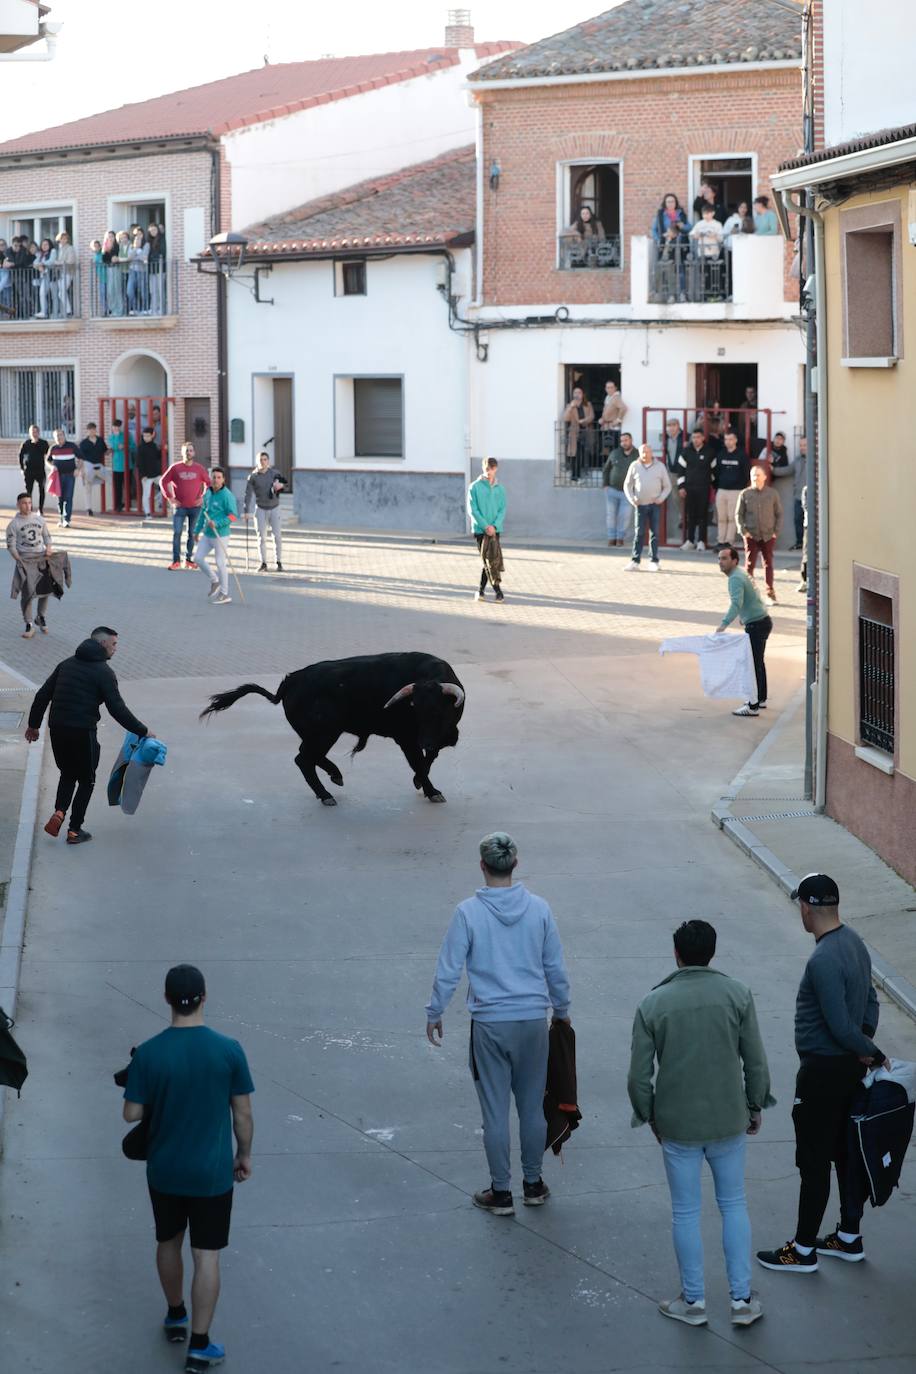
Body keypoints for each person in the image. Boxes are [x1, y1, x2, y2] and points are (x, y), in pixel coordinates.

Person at [628, 919, 773, 1328]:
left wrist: (649, 1113)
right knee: (733, 1204)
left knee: (686, 1212)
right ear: (712, 952)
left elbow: (639, 1077)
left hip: (678, 1125)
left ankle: (693, 1302)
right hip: (729, 1118)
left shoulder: (653, 1004)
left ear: (676, 954)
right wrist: (755, 1104)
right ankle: (742, 1301)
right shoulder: (738, 995)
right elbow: (756, 1061)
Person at [425, 833, 570, 1216]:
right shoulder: (539, 909)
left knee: (494, 1112)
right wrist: (562, 1009)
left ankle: (501, 1191)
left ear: (482, 866)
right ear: (515, 864)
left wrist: (435, 1011)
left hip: (490, 1024)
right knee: (532, 1107)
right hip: (532, 1021)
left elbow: (449, 969)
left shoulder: (468, 913)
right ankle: (534, 1183)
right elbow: (554, 966)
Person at [123, 964, 254, 1371]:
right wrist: (244, 1154)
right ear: (204, 996)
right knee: (207, 1256)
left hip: (164, 1171)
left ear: (166, 999)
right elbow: (242, 1115)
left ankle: (175, 1314)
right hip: (212, 1174)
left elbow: (131, 1114)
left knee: (168, 1241)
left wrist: (139, 1080)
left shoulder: (149, 1053)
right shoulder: (228, 1050)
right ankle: (199, 1345)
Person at [756, 874, 887, 1275]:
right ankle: (849, 1237)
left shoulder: (824, 958)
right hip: (847, 1069)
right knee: (846, 1155)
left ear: (807, 908)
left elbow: (837, 1023)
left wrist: (870, 1051)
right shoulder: (854, 943)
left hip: (822, 1073)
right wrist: (863, 1046)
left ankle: (802, 1250)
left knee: (813, 1162)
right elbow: (870, 1002)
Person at [25, 625, 149, 845]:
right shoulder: (103, 672)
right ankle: (74, 830)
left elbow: (43, 695)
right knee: (86, 779)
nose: (116, 649)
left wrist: (33, 726)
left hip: (58, 728)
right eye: (114, 644)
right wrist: (143, 730)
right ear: (102, 644)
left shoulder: (66, 665)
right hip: (82, 731)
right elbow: (117, 708)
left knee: (67, 772)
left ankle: (60, 811)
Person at [715, 545, 772, 716]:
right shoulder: (740, 573)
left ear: (734, 560)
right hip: (762, 621)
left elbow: (736, 603)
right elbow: (751, 598)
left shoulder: (735, 578)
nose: (720, 562)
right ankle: (760, 698)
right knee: (757, 663)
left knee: (751, 665)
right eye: (719, 558)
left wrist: (723, 624)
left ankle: (752, 705)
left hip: (756, 625)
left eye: (724, 558)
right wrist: (744, 616)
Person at [6, 492, 53, 638]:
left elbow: (46, 536)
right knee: (28, 594)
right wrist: (17, 558)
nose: (28, 506)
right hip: (25, 561)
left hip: (41, 558)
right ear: (18, 505)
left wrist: (49, 547)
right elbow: (11, 545)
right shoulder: (14, 524)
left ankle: (41, 617)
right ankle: (29, 624)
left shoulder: (40, 519)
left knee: (45, 591)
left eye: (29, 502)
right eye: (24, 503)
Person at [160, 442, 211, 571]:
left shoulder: (199, 468)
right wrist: (170, 498)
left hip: (195, 508)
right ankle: (176, 561)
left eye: (190, 450)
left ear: (194, 453)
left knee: (191, 534)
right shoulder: (175, 468)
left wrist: (203, 498)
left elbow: (208, 484)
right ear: (182, 453)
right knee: (177, 533)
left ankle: (188, 559)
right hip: (180, 507)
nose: (188, 453)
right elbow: (163, 481)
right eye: (186, 451)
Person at [736, 465, 782, 602]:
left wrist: (776, 532)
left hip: (768, 535)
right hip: (751, 534)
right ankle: (749, 593)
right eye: (753, 475)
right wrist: (743, 531)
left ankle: (770, 591)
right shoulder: (745, 494)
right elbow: (739, 514)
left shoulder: (772, 494)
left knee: (768, 563)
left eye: (758, 475)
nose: (755, 478)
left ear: (765, 477)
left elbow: (779, 514)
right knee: (749, 564)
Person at [623, 443, 671, 572]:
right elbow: (627, 485)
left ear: (651, 453)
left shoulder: (660, 466)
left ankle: (654, 561)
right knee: (639, 533)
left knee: (654, 533)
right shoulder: (634, 466)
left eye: (647, 452)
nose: (645, 454)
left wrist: (661, 498)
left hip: (654, 505)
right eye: (643, 452)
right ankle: (635, 561)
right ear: (639, 453)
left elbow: (667, 486)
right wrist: (632, 499)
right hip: (640, 505)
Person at [195, 467, 237, 605]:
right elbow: (203, 513)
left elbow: (233, 515)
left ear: (223, 479)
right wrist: (196, 531)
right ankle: (215, 580)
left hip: (221, 535)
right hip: (207, 534)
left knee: (220, 563)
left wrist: (218, 523)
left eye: (219, 477)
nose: (216, 480)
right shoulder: (207, 493)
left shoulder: (227, 496)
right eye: (214, 477)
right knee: (198, 559)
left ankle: (224, 594)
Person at [467, 457, 505, 602]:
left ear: (496, 469)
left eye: (492, 469)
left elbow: (502, 509)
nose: (489, 472)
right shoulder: (474, 487)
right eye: (487, 469)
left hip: (495, 529)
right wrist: (485, 526)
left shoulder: (500, 489)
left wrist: (494, 526)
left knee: (491, 560)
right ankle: (497, 591)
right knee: (488, 560)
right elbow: (473, 510)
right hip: (480, 530)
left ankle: (481, 591)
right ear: (483, 468)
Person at [243, 451, 286, 571]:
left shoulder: (275, 473)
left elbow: (284, 486)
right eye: (260, 460)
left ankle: (278, 562)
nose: (263, 462)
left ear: (268, 461)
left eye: (265, 459)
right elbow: (248, 494)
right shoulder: (253, 477)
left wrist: (280, 487)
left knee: (277, 536)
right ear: (257, 461)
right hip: (260, 509)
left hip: (275, 508)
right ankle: (263, 563)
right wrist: (246, 510)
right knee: (261, 537)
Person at [676, 428, 715, 551]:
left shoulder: (710, 452)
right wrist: (681, 487)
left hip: (704, 488)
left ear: (703, 438)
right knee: (690, 515)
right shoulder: (686, 452)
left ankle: (701, 542)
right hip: (689, 489)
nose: (696, 440)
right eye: (693, 437)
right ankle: (690, 541)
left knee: (703, 515)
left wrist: (712, 484)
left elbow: (714, 471)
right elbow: (680, 471)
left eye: (698, 437)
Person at [712, 430, 749, 548]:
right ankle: (721, 541)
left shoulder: (742, 455)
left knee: (732, 517)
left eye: (731, 439)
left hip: (736, 491)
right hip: (721, 490)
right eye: (726, 439)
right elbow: (715, 472)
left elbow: (746, 473)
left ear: (736, 440)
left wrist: (740, 486)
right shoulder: (721, 454)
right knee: (721, 517)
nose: (728, 442)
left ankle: (729, 542)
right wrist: (717, 486)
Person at [601, 431, 635, 546]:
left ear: (631, 441)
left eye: (626, 440)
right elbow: (606, 469)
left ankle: (620, 538)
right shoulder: (614, 453)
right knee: (611, 515)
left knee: (624, 516)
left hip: (628, 492)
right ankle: (612, 538)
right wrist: (605, 485)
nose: (624, 443)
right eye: (622, 441)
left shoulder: (638, 455)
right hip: (612, 490)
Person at [688, 206, 725, 300]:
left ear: (713, 213)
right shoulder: (699, 224)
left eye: (708, 213)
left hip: (714, 253)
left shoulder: (717, 224)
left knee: (716, 273)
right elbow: (691, 234)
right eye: (704, 214)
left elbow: (721, 238)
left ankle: (717, 294)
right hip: (702, 253)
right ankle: (706, 295)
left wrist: (714, 235)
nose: (706, 216)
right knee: (705, 274)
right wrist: (696, 235)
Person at [47, 427, 81, 527]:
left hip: (70, 476)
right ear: (54, 438)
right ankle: (61, 519)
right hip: (58, 477)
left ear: (64, 436)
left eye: (61, 435)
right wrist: (52, 466)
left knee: (68, 497)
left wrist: (77, 469)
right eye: (57, 436)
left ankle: (67, 520)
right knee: (60, 498)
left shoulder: (72, 446)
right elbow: (47, 460)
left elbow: (81, 458)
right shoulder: (53, 448)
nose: (59, 437)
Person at [562, 386, 595, 481]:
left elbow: (592, 416)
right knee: (575, 454)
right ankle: (575, 475)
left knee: (586, 453)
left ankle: (585, 473)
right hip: (574, 433)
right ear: (573, 395)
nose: (577, 394)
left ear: (582, 394)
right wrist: (571, 407)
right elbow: (565, 418)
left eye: (579, 392)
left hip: (586, 431)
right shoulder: (570, 406)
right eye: (575, 393)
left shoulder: (588, 404)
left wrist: (584, 420)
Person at [662, 418, 686, 541]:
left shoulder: (685, 437)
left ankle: (685, 517)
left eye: (673, 425)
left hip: (685, 472)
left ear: (678, 426)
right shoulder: (666, 439)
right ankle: (682, 516)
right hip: (672, 472)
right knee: (675, 496)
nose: (671, 427)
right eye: (669, 425)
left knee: (685, 496)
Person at [79, 421, 107, 517]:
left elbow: (105, 451)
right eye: (90, 430)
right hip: (88, 465)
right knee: (87, 487)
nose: (92, 431)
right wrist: (81, 470)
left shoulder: (100, 440)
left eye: (94, 429)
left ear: (96, 430)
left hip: (99, 466)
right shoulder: (83, 443)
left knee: (110, 479)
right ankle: (89, 509)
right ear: (88, 431)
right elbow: (81, 458)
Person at [18, 423, 49, 512]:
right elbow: (20, 456)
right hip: (29, 471)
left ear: (38, 433)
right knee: (28, 492)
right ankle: (29, 509)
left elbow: (47, 453)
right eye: (32, 432)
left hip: (40, 470)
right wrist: (22, 468)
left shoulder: (43, 443)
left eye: (36, 432)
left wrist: (37, 443)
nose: (34, 434)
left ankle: (40, 509)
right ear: (29, 433)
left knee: (42, 490)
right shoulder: (26, 443)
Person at [137, 426, 163, 519]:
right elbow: (139, 463)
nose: (146, 438)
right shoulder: (141, 447)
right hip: (146, 476)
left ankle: (157, 500)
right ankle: (147, 513)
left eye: (148, 436)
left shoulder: (154, 446)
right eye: (144, 436)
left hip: (156, 473)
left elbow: (157, 457)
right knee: (146, 495)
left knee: (166, 486)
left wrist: (163, 450)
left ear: (152, 435)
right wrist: (142, 475)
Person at [599, 380, 626, 456]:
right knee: (608, 449)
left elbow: (623, 408)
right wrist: (602, 419)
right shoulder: (608, 398)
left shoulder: (616, 397)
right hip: (607, 427)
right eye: (608, 387)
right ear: (605, 389)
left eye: (611, 387)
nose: (609, 389)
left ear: (615, 388)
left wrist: (618, 420)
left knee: (614, 449)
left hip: (614, 428)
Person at [126, 226, 149, 314]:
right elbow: (129, 258)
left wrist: (137, 255)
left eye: (140, 235)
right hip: (132, 270)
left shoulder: (146, 245)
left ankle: (145, 309)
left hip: (142, 270)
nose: (138, 238)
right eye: (136, 236)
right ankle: (135, 307)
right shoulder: (131, 246)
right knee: (130, 291)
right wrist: (136, 249)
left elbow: (145, 257)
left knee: (142, 291)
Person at [791, 435, 807, 549]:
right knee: (797, 520)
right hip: (798, 496)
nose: (802, 447)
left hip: (811, 497)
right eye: (800, 445)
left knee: (810, 522)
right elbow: (787, 469)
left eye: (804, 445)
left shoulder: (815, 459)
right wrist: (771, 468)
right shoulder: (797, 460)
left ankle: (808, 544)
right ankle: (800, 543)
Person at [147, 222, 166, 315]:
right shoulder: (149, 241)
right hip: (152, 269)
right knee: (153, 290)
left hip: (160, 269)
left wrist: (155, 257)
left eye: (154, 230)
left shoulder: (162, 239)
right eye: (151, 231)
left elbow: (162, 252)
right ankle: (153, 308)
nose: (153, 232)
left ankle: (161, 309)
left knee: (160, 289)